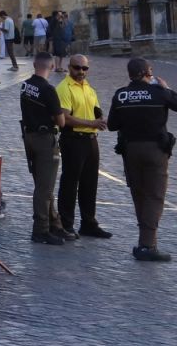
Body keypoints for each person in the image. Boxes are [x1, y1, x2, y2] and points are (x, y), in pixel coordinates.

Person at [106, 56, 177, 262]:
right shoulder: (158, 92)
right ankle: (147, 245)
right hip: (155, 149)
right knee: (155, 196)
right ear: (148, 73)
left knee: (139, 194)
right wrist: (166, 88)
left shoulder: (121, 95)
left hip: (131, 150)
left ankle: (146, 241)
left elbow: (112, 125)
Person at [54, 52, 113, 240]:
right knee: (70, 183)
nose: (81, 72)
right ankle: (66, 223)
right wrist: (91, 124)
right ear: (69, 67)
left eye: (84, 68)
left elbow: (94, 111)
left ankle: (89, 223)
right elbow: (65, 118)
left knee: (90, 183)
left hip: (90, 140)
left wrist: (99, 120)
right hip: (73, 139)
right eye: (77, 68)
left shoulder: (88, 87)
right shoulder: (64, 88)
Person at [19, 53, 70, 244]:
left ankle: (55, 225)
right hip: (44, 140)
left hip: (29, 136)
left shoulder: (26, 85)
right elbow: (61, 121)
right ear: (51, 66)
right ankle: (40, 229)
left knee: (44, 185)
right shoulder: (48, 89)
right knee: (44, 187)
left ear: (34, 64)